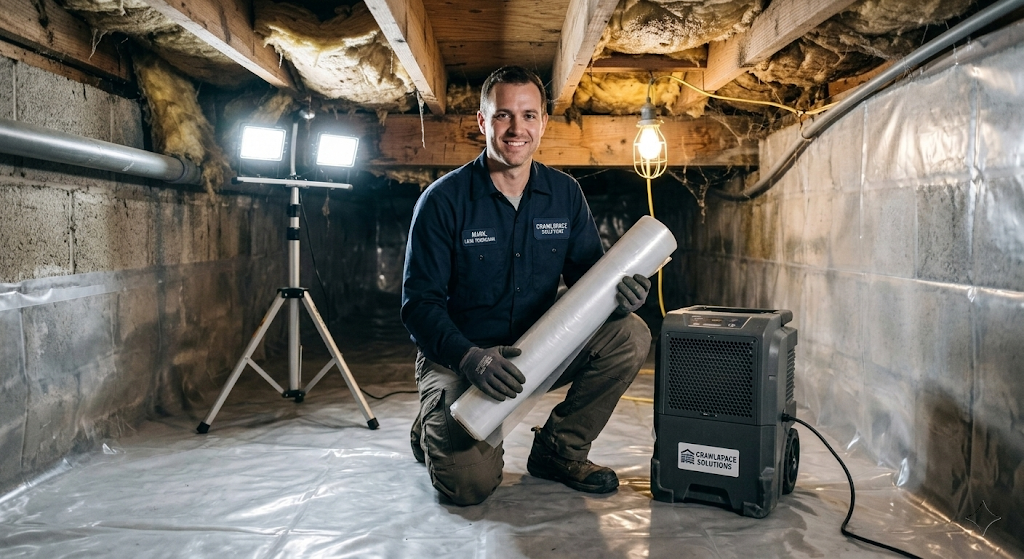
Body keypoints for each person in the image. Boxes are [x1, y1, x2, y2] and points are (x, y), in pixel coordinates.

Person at [401, 65, 652, 506]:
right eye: (503, 116)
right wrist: (471, 359)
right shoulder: (443, 201)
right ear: (482, 121)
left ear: (543, 123)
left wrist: (623, 297)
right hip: (462, 355)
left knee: (630, 333)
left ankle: (559, 451)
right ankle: (433, 422)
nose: (517, 129)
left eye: (529, 115)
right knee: (468, 486)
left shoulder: (565, 194)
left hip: (538, 348)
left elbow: (589, 282)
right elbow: (419, 305)